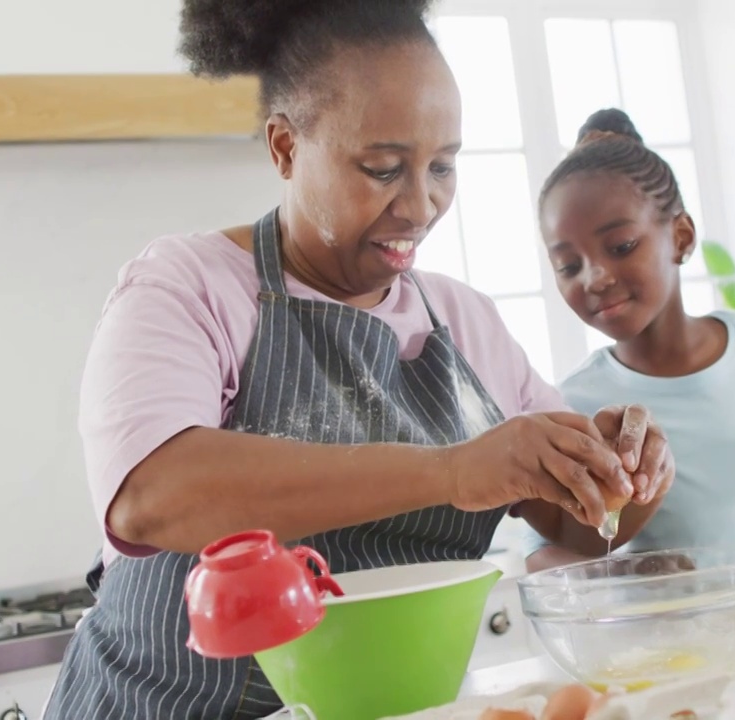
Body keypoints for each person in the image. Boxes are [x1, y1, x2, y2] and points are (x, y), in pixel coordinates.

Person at [42, 5, 676, 719]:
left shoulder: (465, 320)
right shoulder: (190, 285)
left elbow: (579, 527)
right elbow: (154, 495)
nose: (421, 204)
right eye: (382, 169)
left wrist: (628, 475)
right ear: (284, 147)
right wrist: (453, 472)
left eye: (442, 166)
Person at [526, 108, 735, 603]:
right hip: (680, 650)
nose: (594, 277)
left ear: (681, 237)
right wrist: (629, 573)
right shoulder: (574, 399)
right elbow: (542, 551)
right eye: (568, 265)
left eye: (620, 246)